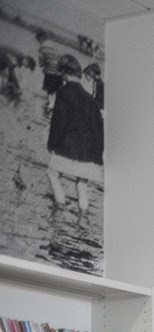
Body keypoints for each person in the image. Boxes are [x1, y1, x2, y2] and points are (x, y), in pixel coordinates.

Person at [45, 54, 103, 219]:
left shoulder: (63, 92)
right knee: (82, 184)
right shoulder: (90, 99)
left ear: (64, 73)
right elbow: (99, 128)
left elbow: (58, 122)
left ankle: (60, 207)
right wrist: (98, 156)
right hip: (90, 152)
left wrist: (52, 144)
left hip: (69, 148)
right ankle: (82, 217)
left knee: (52, 174)